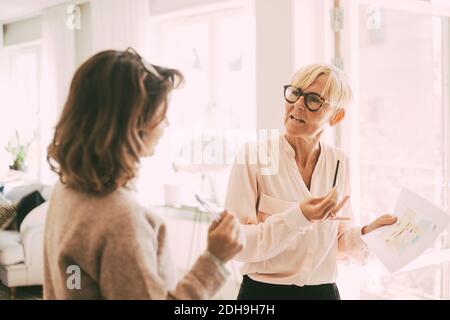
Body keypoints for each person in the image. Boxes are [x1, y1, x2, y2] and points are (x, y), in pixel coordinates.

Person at [44, 48, 243, 299]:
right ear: (134, 122)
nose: (166, 124)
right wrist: (214, 259)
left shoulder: (65, 190)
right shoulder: (122, 221)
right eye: (162, 114)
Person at [225, 63, 397, 300]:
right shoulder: (252, 157)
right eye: (295, 92)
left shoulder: (339, 162)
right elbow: (236, 243)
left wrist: (368, 235)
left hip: (323, 293)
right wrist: (299, 217)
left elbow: (338, 240)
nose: (297, 105)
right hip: (264, 294)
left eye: (313, 99)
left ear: (337, 117)